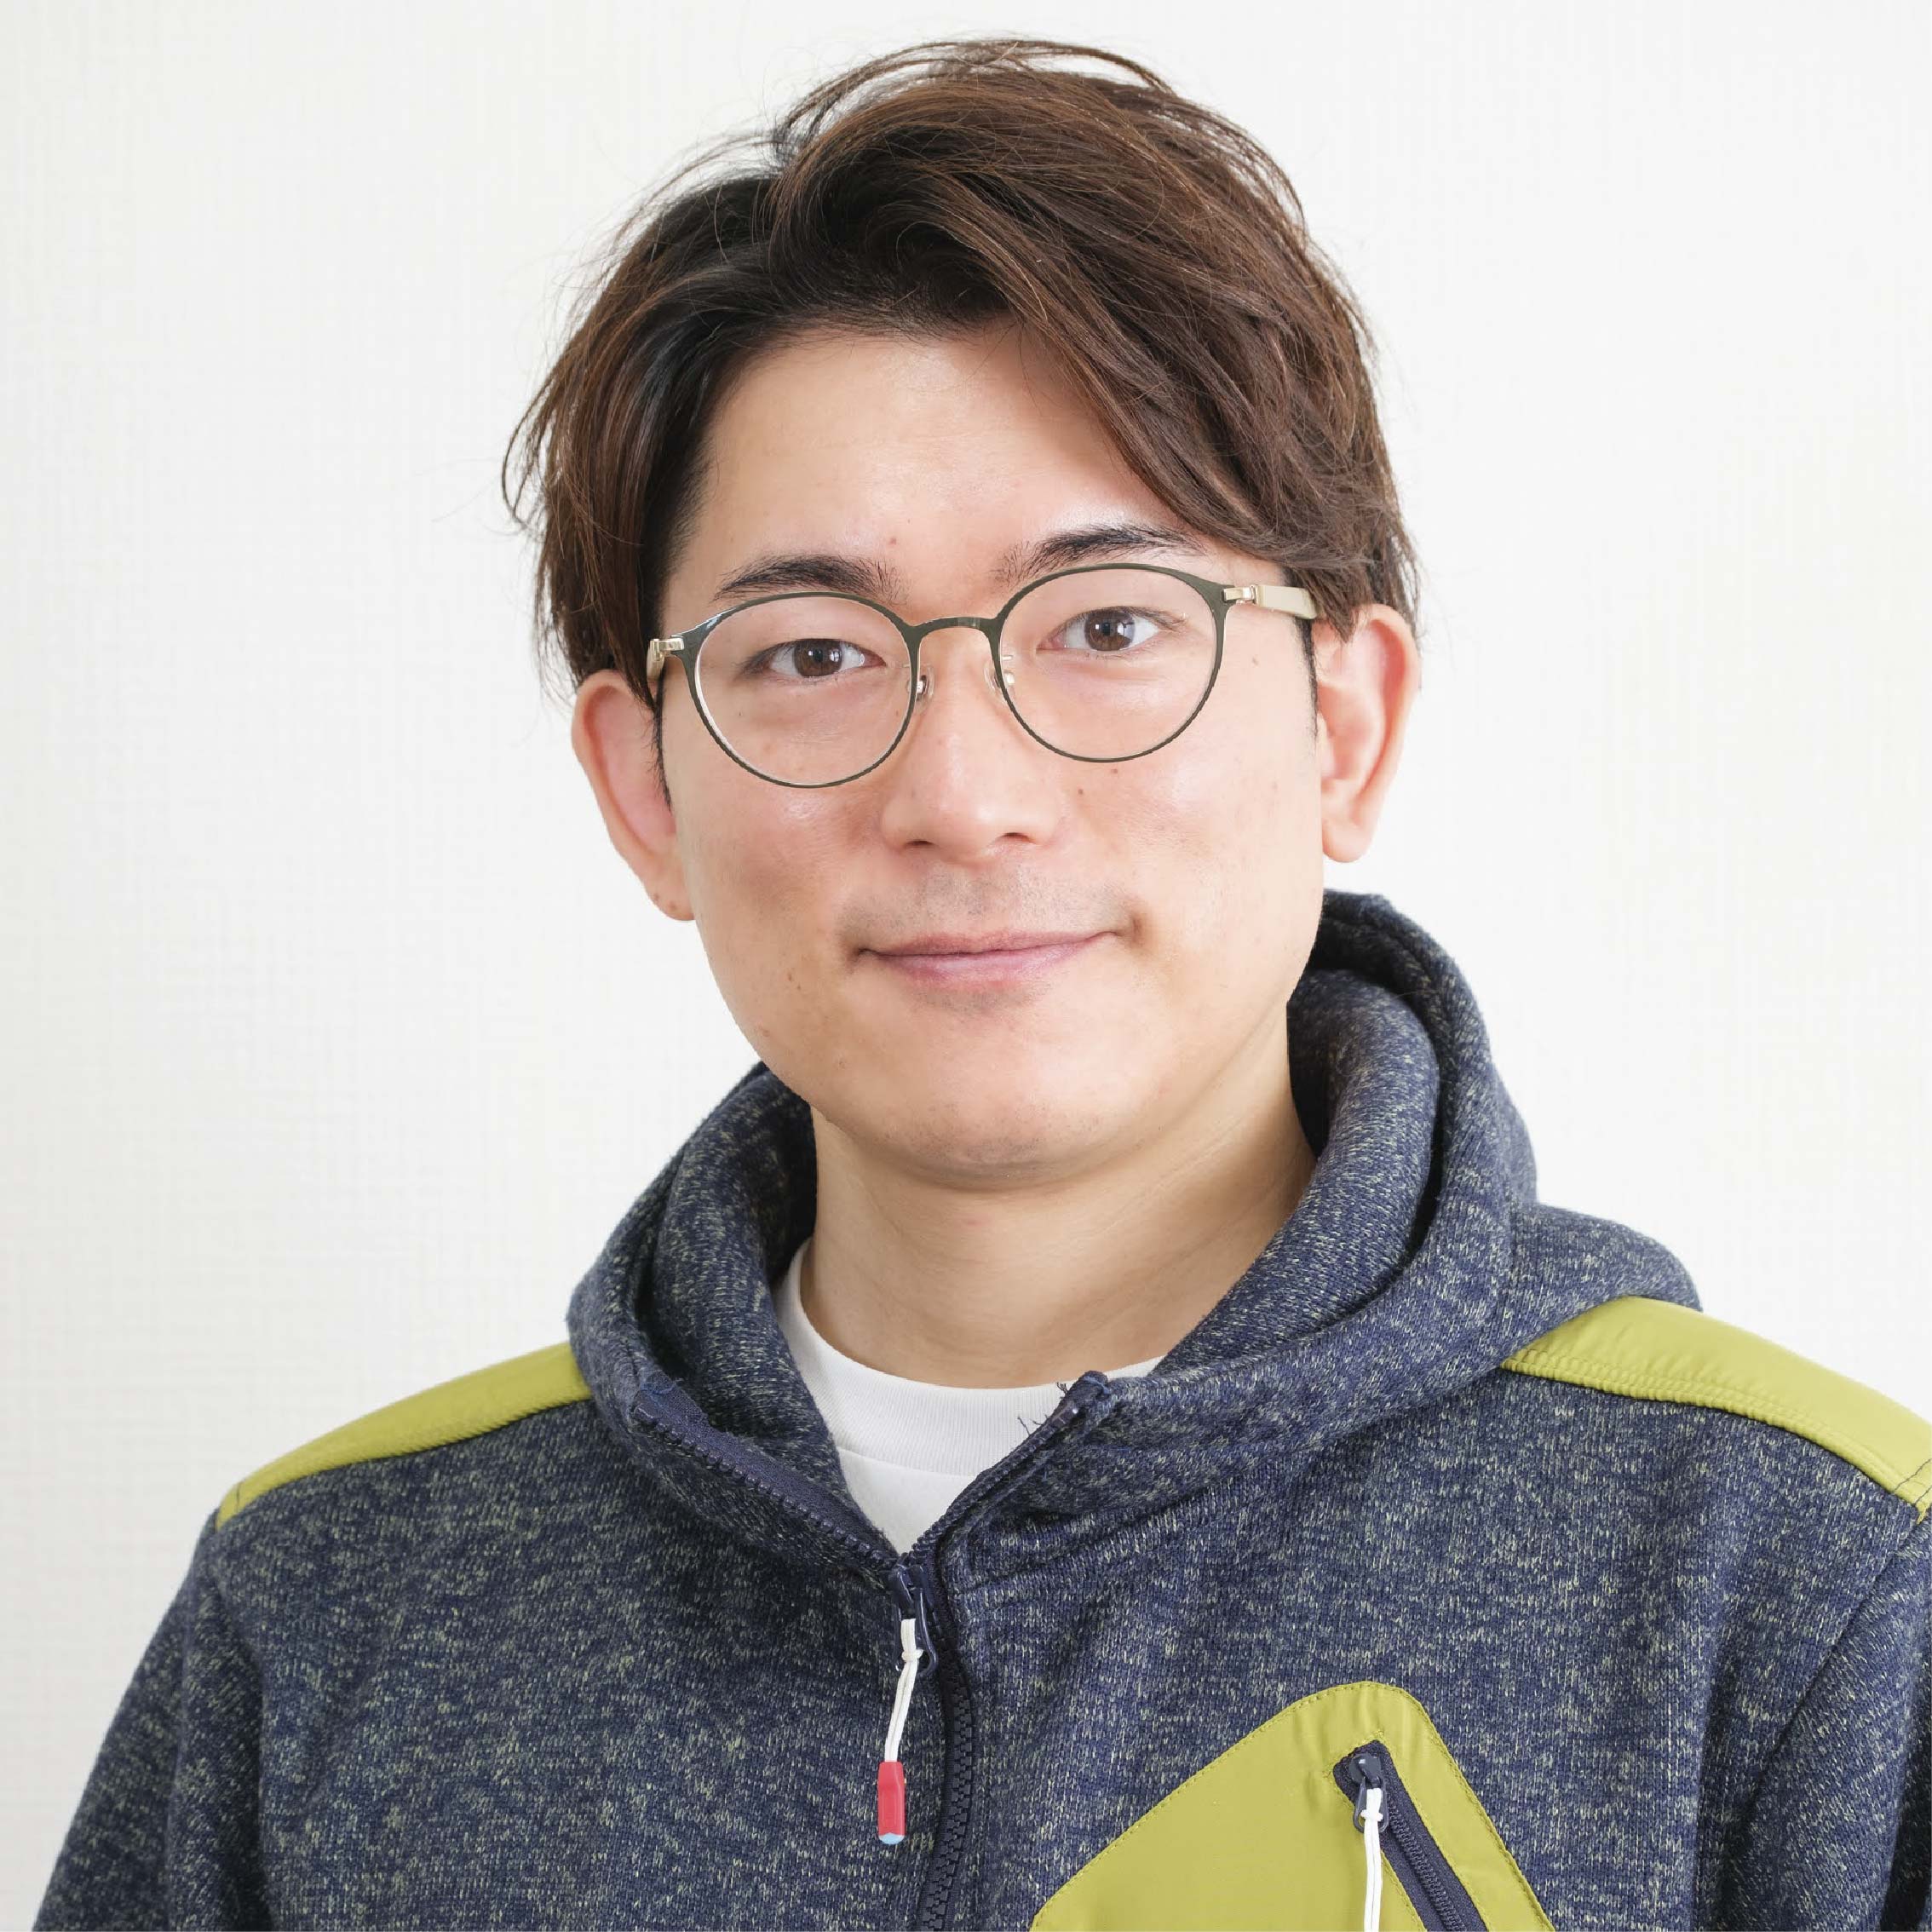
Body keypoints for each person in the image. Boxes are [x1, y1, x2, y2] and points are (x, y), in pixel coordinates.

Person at [38, 36, 1929, 1932]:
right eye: (810, 654)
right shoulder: (327, 1618)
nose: (964, 793)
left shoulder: (1814, 1591)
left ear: (1344, 727)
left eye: (1109, 624)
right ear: (644, 790)